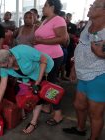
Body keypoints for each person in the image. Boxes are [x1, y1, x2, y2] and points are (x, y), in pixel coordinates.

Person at [63, 0, 105, 140]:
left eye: (94, 6)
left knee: (95, 113)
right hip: (83, 73)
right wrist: (74, 68)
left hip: (99, 75)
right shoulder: (89, 23)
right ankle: (80, 128)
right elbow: (81, 45)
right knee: (79, 105)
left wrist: (101, 54)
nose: (90, 7)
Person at [0, 45, 54, 134]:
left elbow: (43, 59)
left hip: (44, 69)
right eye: (2, 67)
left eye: (6, 66)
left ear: (11, 58)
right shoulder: (4, 66)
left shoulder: (23, 51)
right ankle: (41, 107)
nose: (4, 69)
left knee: (39, 96)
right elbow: (2, 85)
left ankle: (33, 123)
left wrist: (38, 81)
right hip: (28, 75)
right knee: (22, 91)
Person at [33, 0, 68, 126]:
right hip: (44, 58)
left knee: (51, 85)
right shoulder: (46, 20)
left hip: (53, 57)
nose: (43, 7)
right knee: (45, 83)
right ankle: (47, 107)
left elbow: (63, 39)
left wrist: (40, 42)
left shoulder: (58, 19)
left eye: (46, 5)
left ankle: (58, 114)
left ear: (52, 7)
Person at [65, 13, 77, 78]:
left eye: (69, 17)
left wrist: (65, 33)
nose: (67, 18)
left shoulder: (73, 26)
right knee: (63, 61)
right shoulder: (62, 25)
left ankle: (68, 73)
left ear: (71, 18)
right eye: (66, 17)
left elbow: (73, 36)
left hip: (70, 45)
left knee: (69, 60)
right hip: (63, 45)